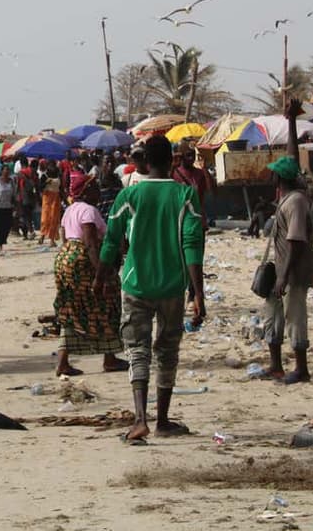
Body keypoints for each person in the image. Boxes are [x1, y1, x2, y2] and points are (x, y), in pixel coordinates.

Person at [100, 134, 205, 443]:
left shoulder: (128, 196)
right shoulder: (186, 195)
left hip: (136, 284)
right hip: (173, 285)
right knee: (167, 351)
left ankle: (140, 420)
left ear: (144, 161)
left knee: (138, 351)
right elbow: (192, 244)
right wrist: (198, 293)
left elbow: (111, 242)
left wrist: (100, 278)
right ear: (172, 160)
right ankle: (163, 420)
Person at [260, 100, 313, 384]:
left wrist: (283, 277)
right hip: (281, 267)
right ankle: (275, 365)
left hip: (293, 271)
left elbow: (296, 241)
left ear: (278, 177)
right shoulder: (287, 196)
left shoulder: (295, 201)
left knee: (295, 317)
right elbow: (291, 158)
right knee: (272, 314)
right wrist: (291, 122)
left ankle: (302, 369)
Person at [54, 175, 128, 376]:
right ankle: (109, 358)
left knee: (72, 310)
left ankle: (63, 361)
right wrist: (99, 276)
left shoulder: (70, 210)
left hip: (65, 259)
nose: (98, 191)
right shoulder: (89, 211)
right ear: (85, 192)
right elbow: (90, 244)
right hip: (83, 261)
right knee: (108, 302)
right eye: (94, 187)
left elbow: (64, 238)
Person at [38, 161, 62, 246]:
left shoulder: (58, 175)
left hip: (56, 199)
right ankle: (42, 236)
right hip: (47, 199)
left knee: (54, 219)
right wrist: (46, 183)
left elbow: (61, 188)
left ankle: (52, 239)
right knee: (45, 218)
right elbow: (39, 187)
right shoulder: (44, 176)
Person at [16, 160, 39, 239]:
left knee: (24, 215)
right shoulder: (34, 173)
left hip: (23, 196)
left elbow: (17, 186)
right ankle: (29, 231)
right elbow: (37, 185)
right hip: (31, 196)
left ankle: (28, 232)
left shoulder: (20, 173)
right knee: (29, 215)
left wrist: (16, 196)